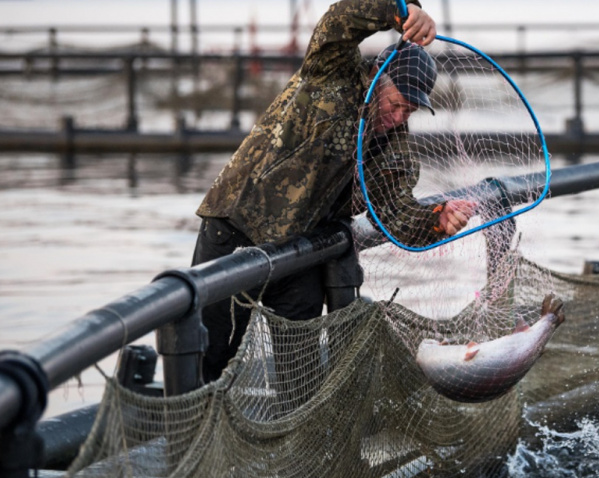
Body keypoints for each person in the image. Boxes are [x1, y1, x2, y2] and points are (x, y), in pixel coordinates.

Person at [192, 0, 474, 384]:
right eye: (395, 104)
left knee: (302, 374)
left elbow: (396, 214)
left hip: (298, 254)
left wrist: (437, 220)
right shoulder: (332, 71)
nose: (398, 117)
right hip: (235, 231)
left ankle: (295, 438)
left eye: (409, 111)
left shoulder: (395, 144)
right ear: (378, 77)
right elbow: (339, 20)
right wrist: (402, 9)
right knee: (211, 361)